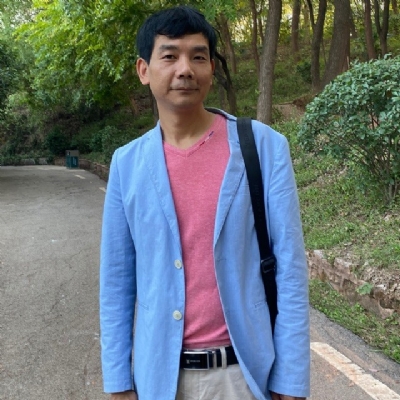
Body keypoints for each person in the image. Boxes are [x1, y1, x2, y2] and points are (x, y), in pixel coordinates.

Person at [99, 5, 310, 400]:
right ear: (144, 70)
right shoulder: (127, 164)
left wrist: (292, 378)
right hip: (159, 379)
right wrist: (118, 381)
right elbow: (116, 282)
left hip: (243, 377)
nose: (185, 69)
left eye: (198, 57)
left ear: (211, 68)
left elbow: (290, 269)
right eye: (169, 56)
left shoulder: (263, 147)